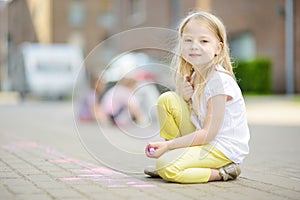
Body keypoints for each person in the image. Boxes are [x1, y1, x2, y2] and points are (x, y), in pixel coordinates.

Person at [144, 11, 250, 183]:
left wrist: (168, 145)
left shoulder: (219, 82)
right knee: (168, 99)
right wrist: (187, 99)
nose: (194, 46)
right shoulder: (194, 77)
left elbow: (208, 133)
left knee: (167, 168)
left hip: (222, 148)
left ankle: (225, 171)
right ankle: (174, 158)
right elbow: (196, 117)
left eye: (204, 41)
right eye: (188, 40)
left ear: (218, 48)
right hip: (205, 140)